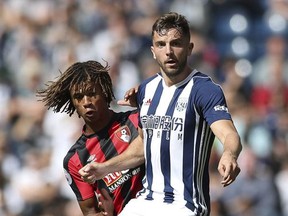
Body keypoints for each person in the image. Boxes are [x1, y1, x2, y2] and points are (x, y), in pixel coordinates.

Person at [79, 12, 242, 216]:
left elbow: (229, 134)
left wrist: (229, 154)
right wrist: (104, 168)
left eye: (176, 43)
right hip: (146, 201)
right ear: (153, 51)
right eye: (161, 44)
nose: (169, 51)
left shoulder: (204, 89)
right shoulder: (147, 89)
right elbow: (142, 146)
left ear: (190, 48)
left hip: (185, 205)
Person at [37, 60, 145, 216]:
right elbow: (90, 212)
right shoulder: (75, 160)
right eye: (78, 97)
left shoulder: (136, 120)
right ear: (73, 102)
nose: (86, 102)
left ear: (105, 92)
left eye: (92, 93)